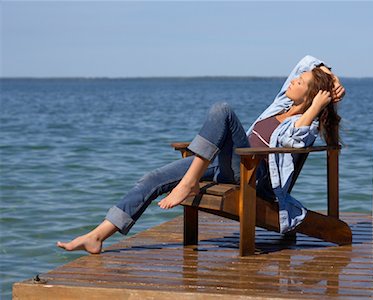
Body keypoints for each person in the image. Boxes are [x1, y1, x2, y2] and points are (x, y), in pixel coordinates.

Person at [57, 55, 345, 254]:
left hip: (254, 176)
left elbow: (297, 141)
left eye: (300, 82)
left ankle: (189, 182)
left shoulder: (300, 125)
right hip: (233, 164)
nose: (292, 81)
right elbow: (307, 59)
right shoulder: (279, 106)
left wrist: (318, 106)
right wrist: (331, 77)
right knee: (153, 178)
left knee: (222, 110)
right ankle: (97, 236)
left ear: (310, 97)